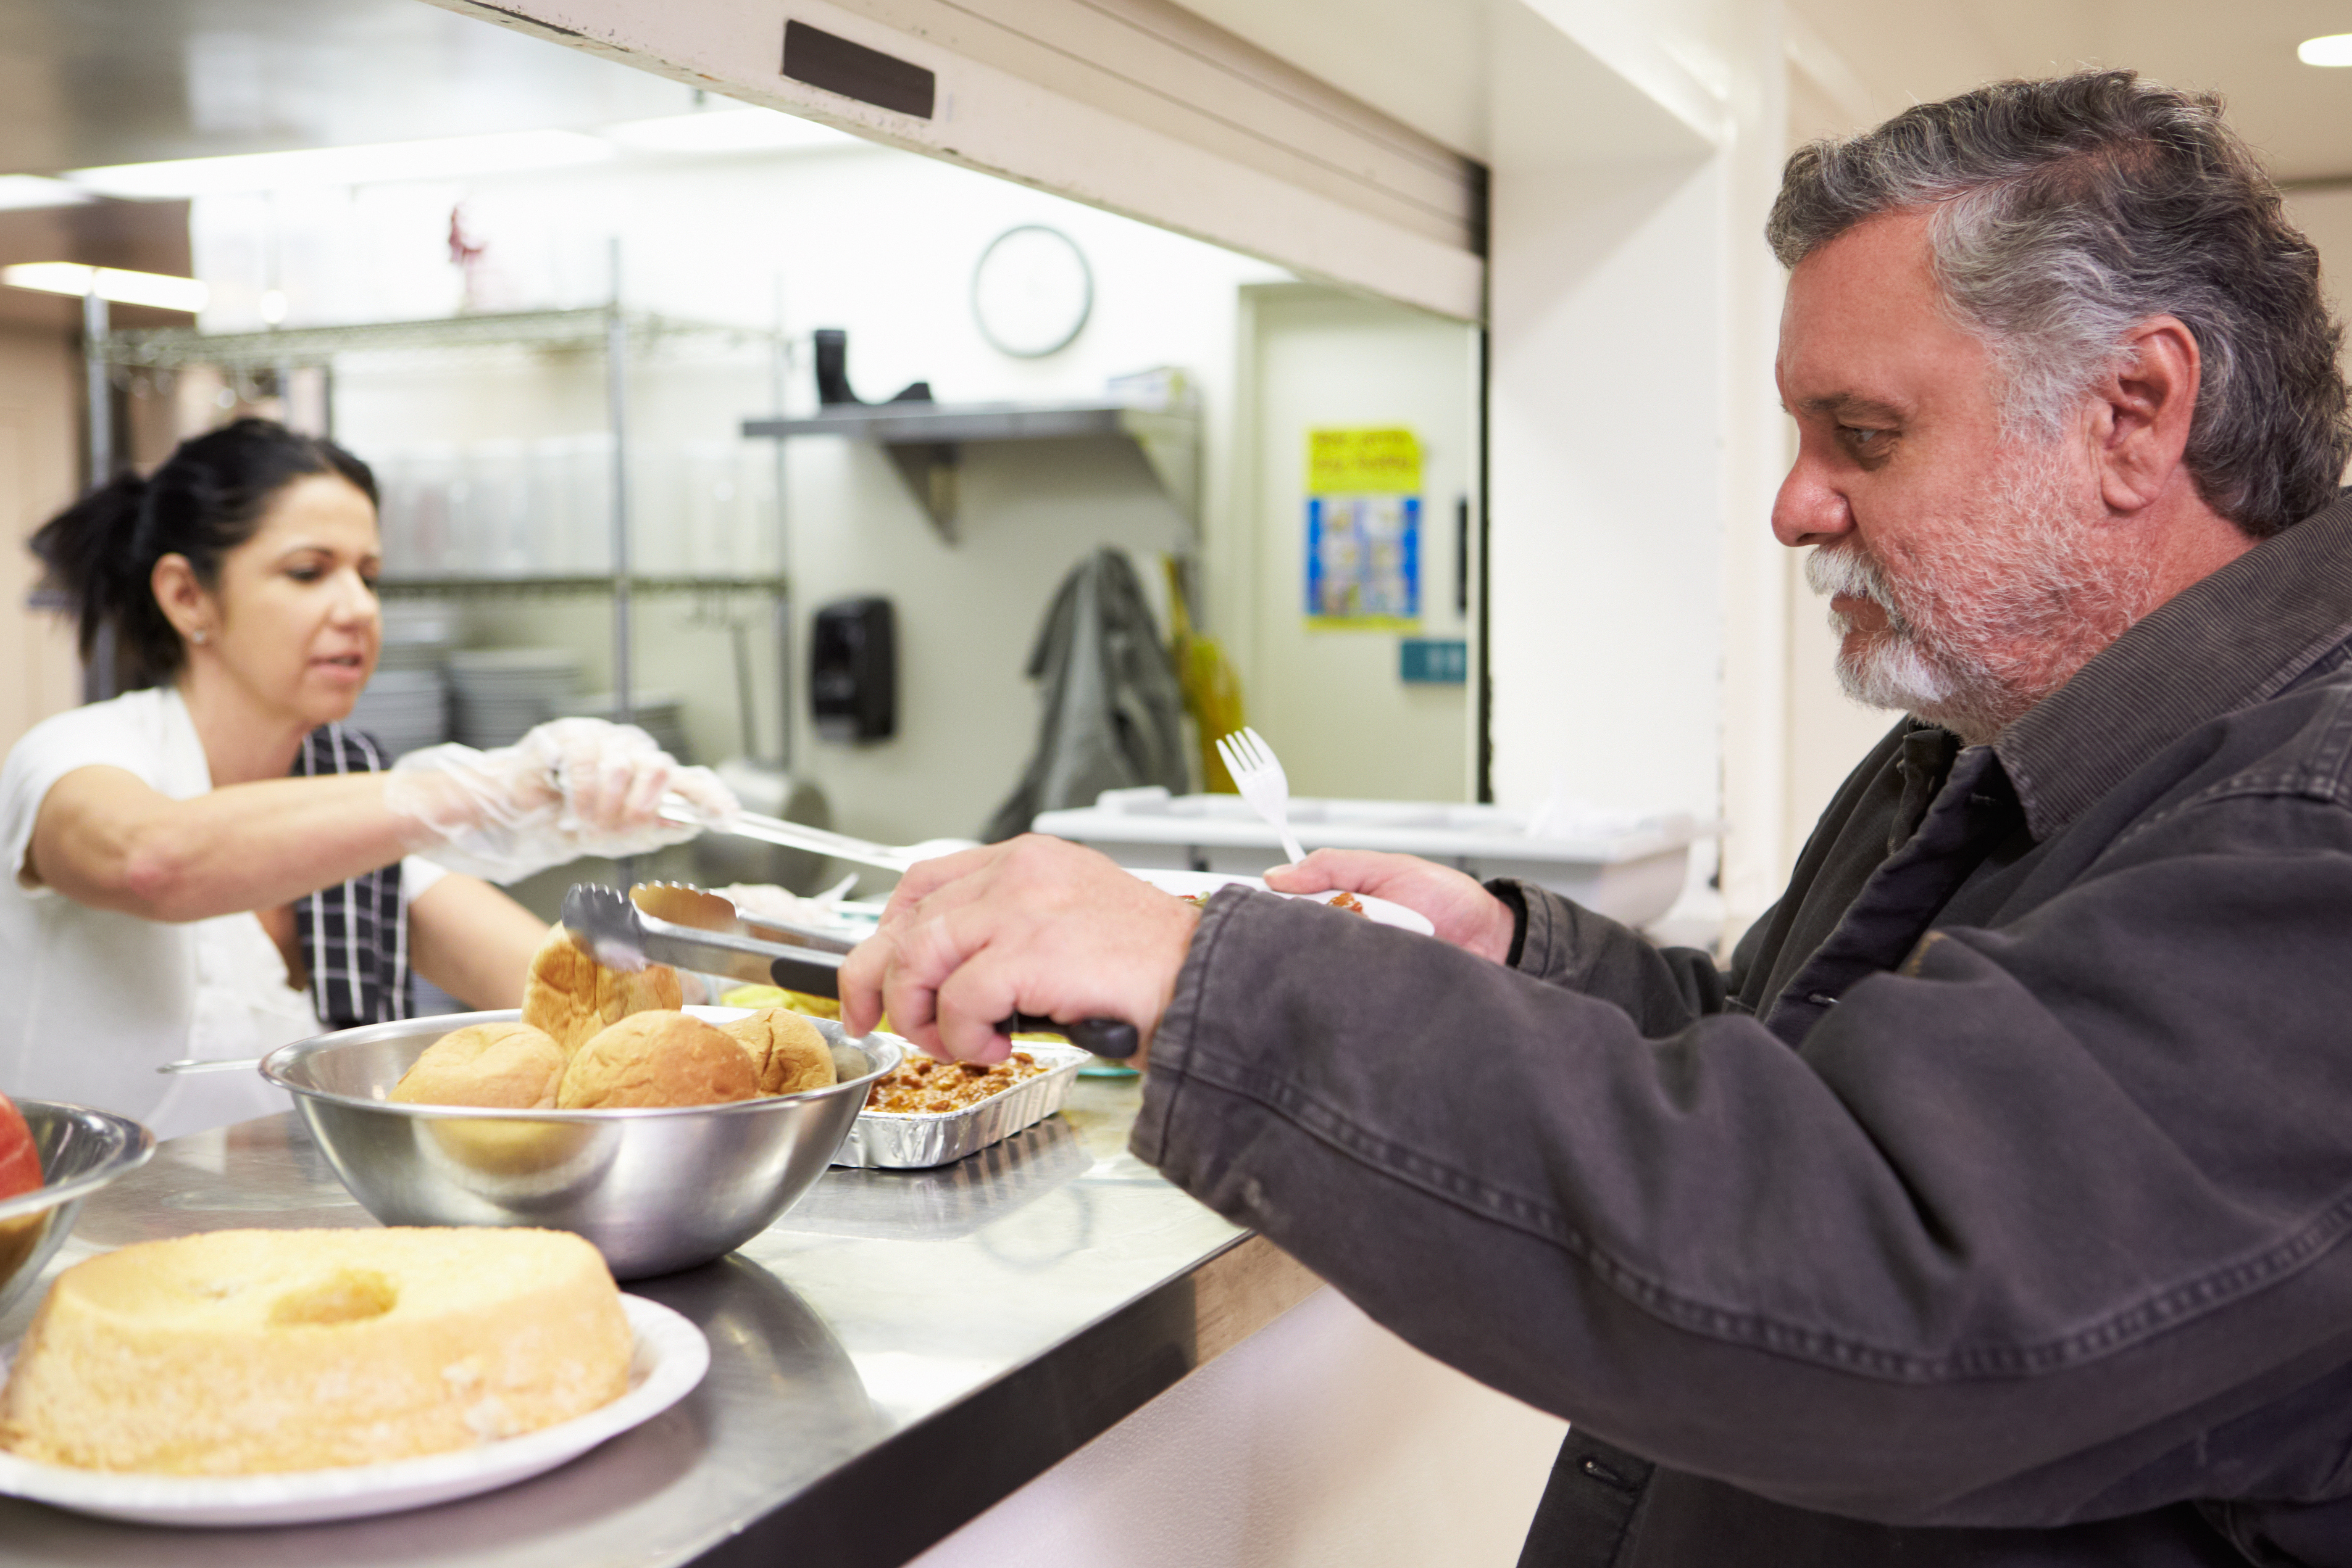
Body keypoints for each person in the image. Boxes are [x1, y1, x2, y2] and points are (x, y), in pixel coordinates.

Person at [840, 72, 2352, 1566]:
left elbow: (1897, 1261)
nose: (1796, 506)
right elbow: (1788, 1060)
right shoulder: (1994, 737)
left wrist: (1209, 978)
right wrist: (1505, 955)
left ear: (2135, 411)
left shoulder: (2313, 837)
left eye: (1866, 434)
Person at [1, 419, 733, 1140]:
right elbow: (152, 859)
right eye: (309, 572)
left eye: (369, 575)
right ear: (187, 596)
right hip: (72, 1239)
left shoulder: (341, 796)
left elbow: (581, 999)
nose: (358, 608)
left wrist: (728, 957)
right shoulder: (74, 752)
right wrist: (486, 788)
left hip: (283, 1240)